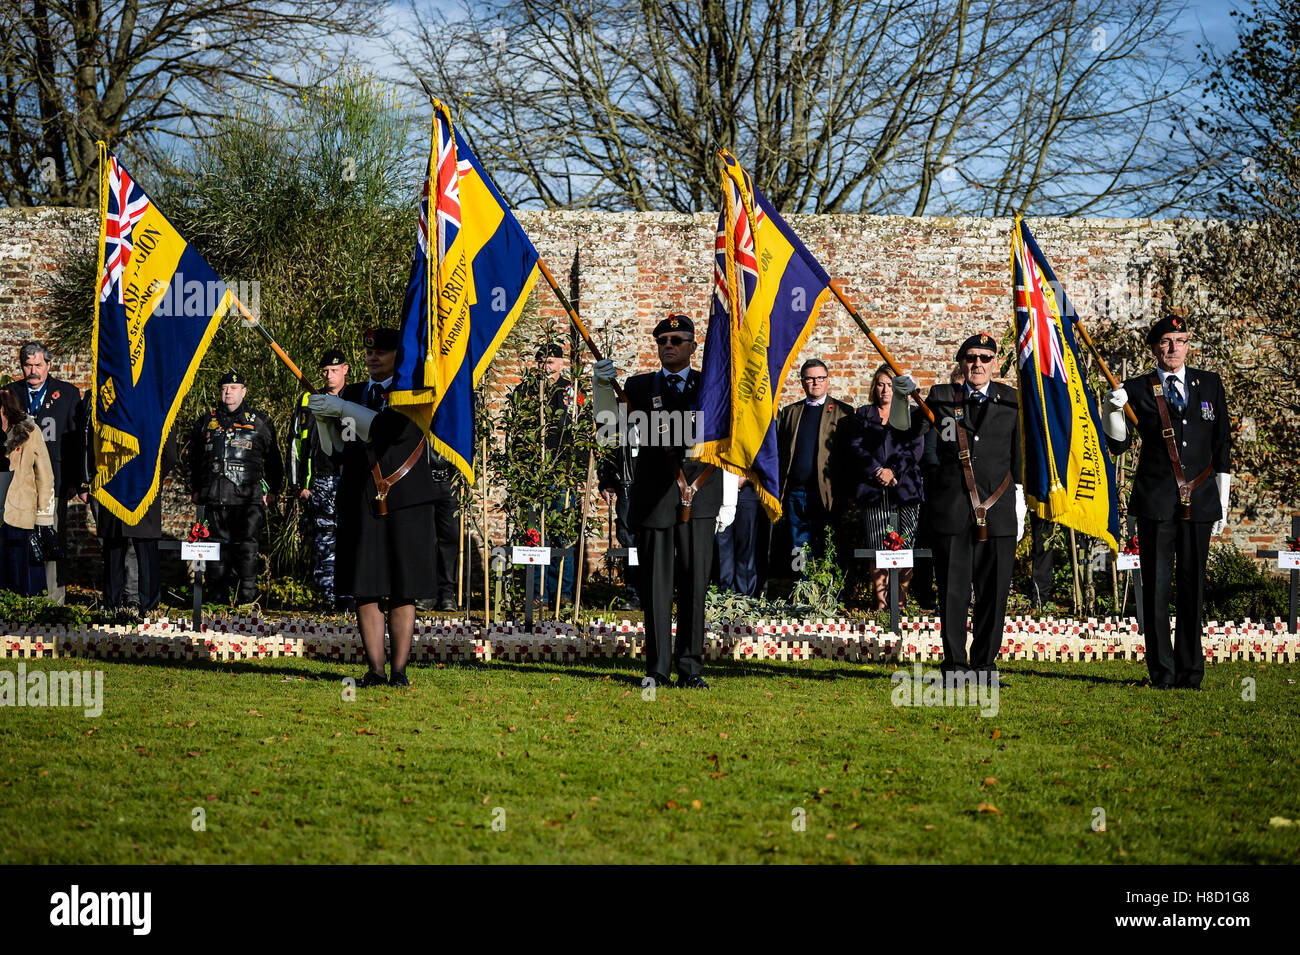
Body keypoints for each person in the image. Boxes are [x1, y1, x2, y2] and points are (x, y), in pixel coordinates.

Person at [593, 313, 736, 690]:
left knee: (694, 585)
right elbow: (610, 433)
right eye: (663, 341)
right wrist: (602, 390)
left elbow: (733, 441)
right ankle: (657, 668)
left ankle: (691, 667)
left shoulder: (713, 385)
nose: (668, 346)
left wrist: (730, 496)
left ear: (692, 346)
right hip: (655, 496)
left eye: (676, 340)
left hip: (701, 495)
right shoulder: (639, 386)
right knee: (657, 586)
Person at [1103, 316, 1231, 690]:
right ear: (1154, 347)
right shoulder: (1137, 388)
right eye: (1166, 341)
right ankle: (1162, 672)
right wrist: (1113, 410)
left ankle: (1191, 672)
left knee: (1193, 587)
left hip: (1201, 499)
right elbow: (1119, 443)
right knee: (1157, 589)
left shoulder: (1209, 383)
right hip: (1157, 499)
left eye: (1180, 339)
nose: (1174, 348)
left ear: (1188, 343)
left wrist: (1222, 497)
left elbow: (1221, 442)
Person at [310, 327, 438, 687]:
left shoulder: (411, 394)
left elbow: (386, 431)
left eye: (381, 351)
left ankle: (399, 671)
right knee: (364, 586)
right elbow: (336, 449)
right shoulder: (353, 393)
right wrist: (325, 420)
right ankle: (375, 670)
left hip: (405, 498)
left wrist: (343, 407)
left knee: (402, 586)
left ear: (399, 354)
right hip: (360, 496)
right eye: (368, 352)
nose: (372, 357)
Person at [918, 332, 1025, 687]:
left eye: (984, 358)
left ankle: (983, 667)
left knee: (994, 592)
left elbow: (1018, 454)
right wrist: (905, 403)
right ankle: (954, 668)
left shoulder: (1012, 401)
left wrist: (1021, 498)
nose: (977, 364)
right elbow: (922, 444)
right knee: (953, 591)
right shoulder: (942, 397)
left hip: (999, 508)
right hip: (952, 508)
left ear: (995, 363)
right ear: (961, 363)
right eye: (971, 358)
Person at [187, 370, 283, 605]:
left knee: (247, 550)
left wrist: (272, 491)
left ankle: (247, 601)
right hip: (214, 498)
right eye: (224, 388)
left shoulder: (259, 421)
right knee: (215, 550)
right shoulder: (205, 422)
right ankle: (217, 600)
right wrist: (195, 488)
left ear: (243, 391)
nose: (228, 392)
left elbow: (274, 460)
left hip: (248, 500)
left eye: (233, 387)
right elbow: (193, 458)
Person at [79, 393, 177, 612]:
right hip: (114, 486)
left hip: (141, 488)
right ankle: (116, 606)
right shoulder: (107, 399)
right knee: (115, 550)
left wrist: (152, 480)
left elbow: (169, 452)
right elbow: (90, 443)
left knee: (145, 550)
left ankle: (146, 607)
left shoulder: (156, 402)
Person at [6, 341, 81, 603]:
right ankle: (20, 598)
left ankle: (53, 603)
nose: (34, 370)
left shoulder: (69, 393)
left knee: (50, 539)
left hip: (55, 482)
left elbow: (75, 442)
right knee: (19, 540)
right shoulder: (10, 393)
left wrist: (76, 481)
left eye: (39, 364)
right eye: (28, 365)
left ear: (48, 365)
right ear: (21, 365)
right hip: (19, 483)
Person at [847, 364, 927, 609]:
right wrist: (878, 471)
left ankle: (900, 602)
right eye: (881, 384)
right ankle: (882, 603)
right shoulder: (863, 414)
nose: (885, 389)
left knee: (905, 547)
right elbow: (857, 447)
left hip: (905, 490)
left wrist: (894, 471)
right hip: (874, 491)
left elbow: (915, 449)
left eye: (891, 385)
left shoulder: (911, 415)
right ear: (874, 387)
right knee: (879, 546)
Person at [775, 358, 854, 565]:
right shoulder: (791, 412)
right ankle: (802, 589)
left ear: (828, 381)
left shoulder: (843, 412)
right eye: (810, 379)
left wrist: (846, 493)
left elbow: (849, 456)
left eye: (820, 378)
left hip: (826, 493)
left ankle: (829, 593)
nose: (815, 383)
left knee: (828, 546)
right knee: (798, 548)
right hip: (796, 493)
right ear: (802, 382)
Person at [289, 348, 351, 610]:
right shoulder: (308, 400)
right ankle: (328, 596)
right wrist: (298, 484)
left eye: (334, 371)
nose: (329, 376)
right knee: (325, 541)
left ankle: (349, 596)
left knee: (350, 538)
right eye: (325, 371)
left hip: (349, 482)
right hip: (320, 481)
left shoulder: (356, 398)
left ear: (345, 369)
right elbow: (295, 444)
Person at [0, 389, 55, 596]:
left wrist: (43, 516)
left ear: (5, 409)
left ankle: (29, 619)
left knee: (24, 575)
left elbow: (45, 474)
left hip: (20, 512)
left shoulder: (29, 431)